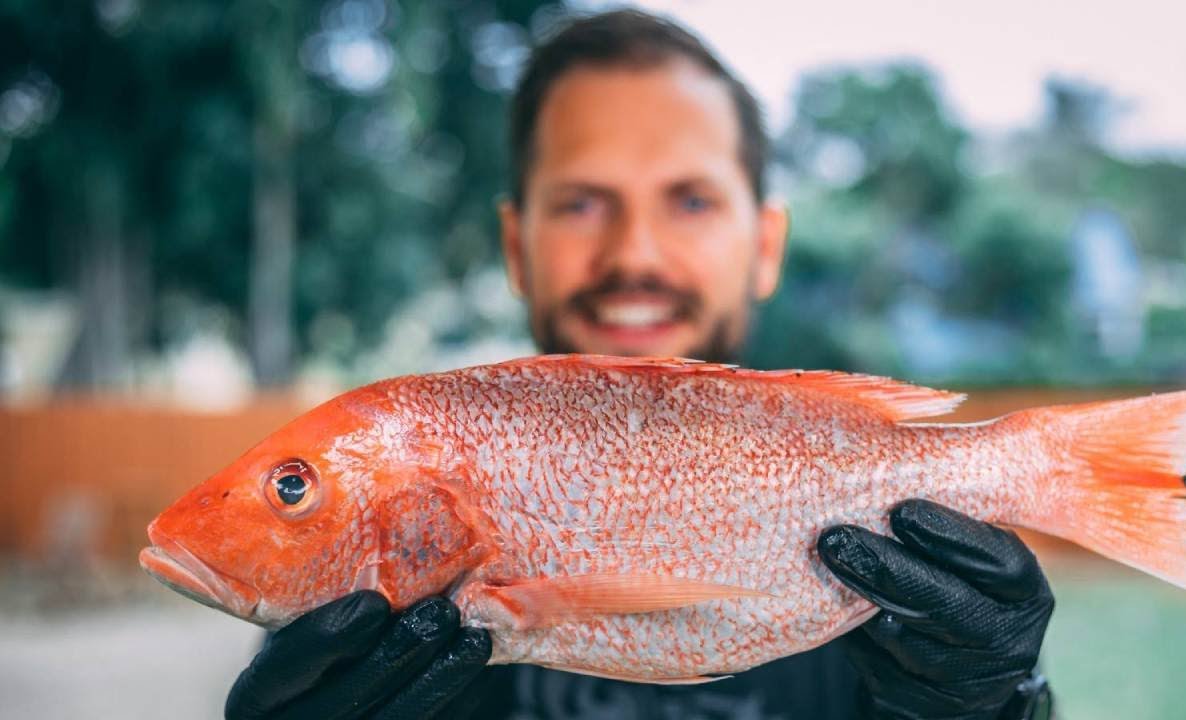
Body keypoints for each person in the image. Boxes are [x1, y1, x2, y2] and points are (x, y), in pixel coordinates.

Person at [224, 9, 1054, 720]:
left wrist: (1004, 707)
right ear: (517, 246)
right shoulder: (360, 627)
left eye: (690, 200)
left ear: (765, 246)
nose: (634, 253)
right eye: (582, 202)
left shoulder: (904, 591)